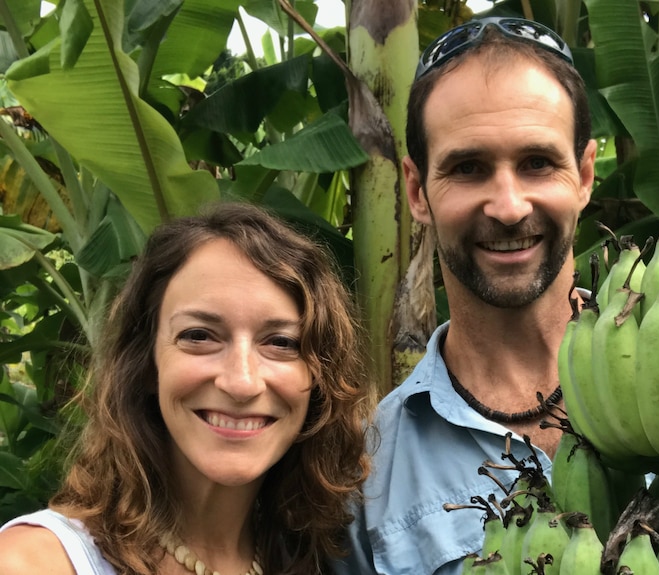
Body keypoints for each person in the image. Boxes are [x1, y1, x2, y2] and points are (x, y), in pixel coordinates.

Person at [330, 16, 598, 575]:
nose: (508, 207)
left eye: (537, 163)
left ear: (586, 175)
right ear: (416, 190)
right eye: (469, 168)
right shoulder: (367, 477)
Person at [0, 202, 375, 575]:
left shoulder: (313, 558)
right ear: (147, 365)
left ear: (318, 377)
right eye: (199, 336)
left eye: (281, 342)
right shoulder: (37, 561)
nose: (241, 382)